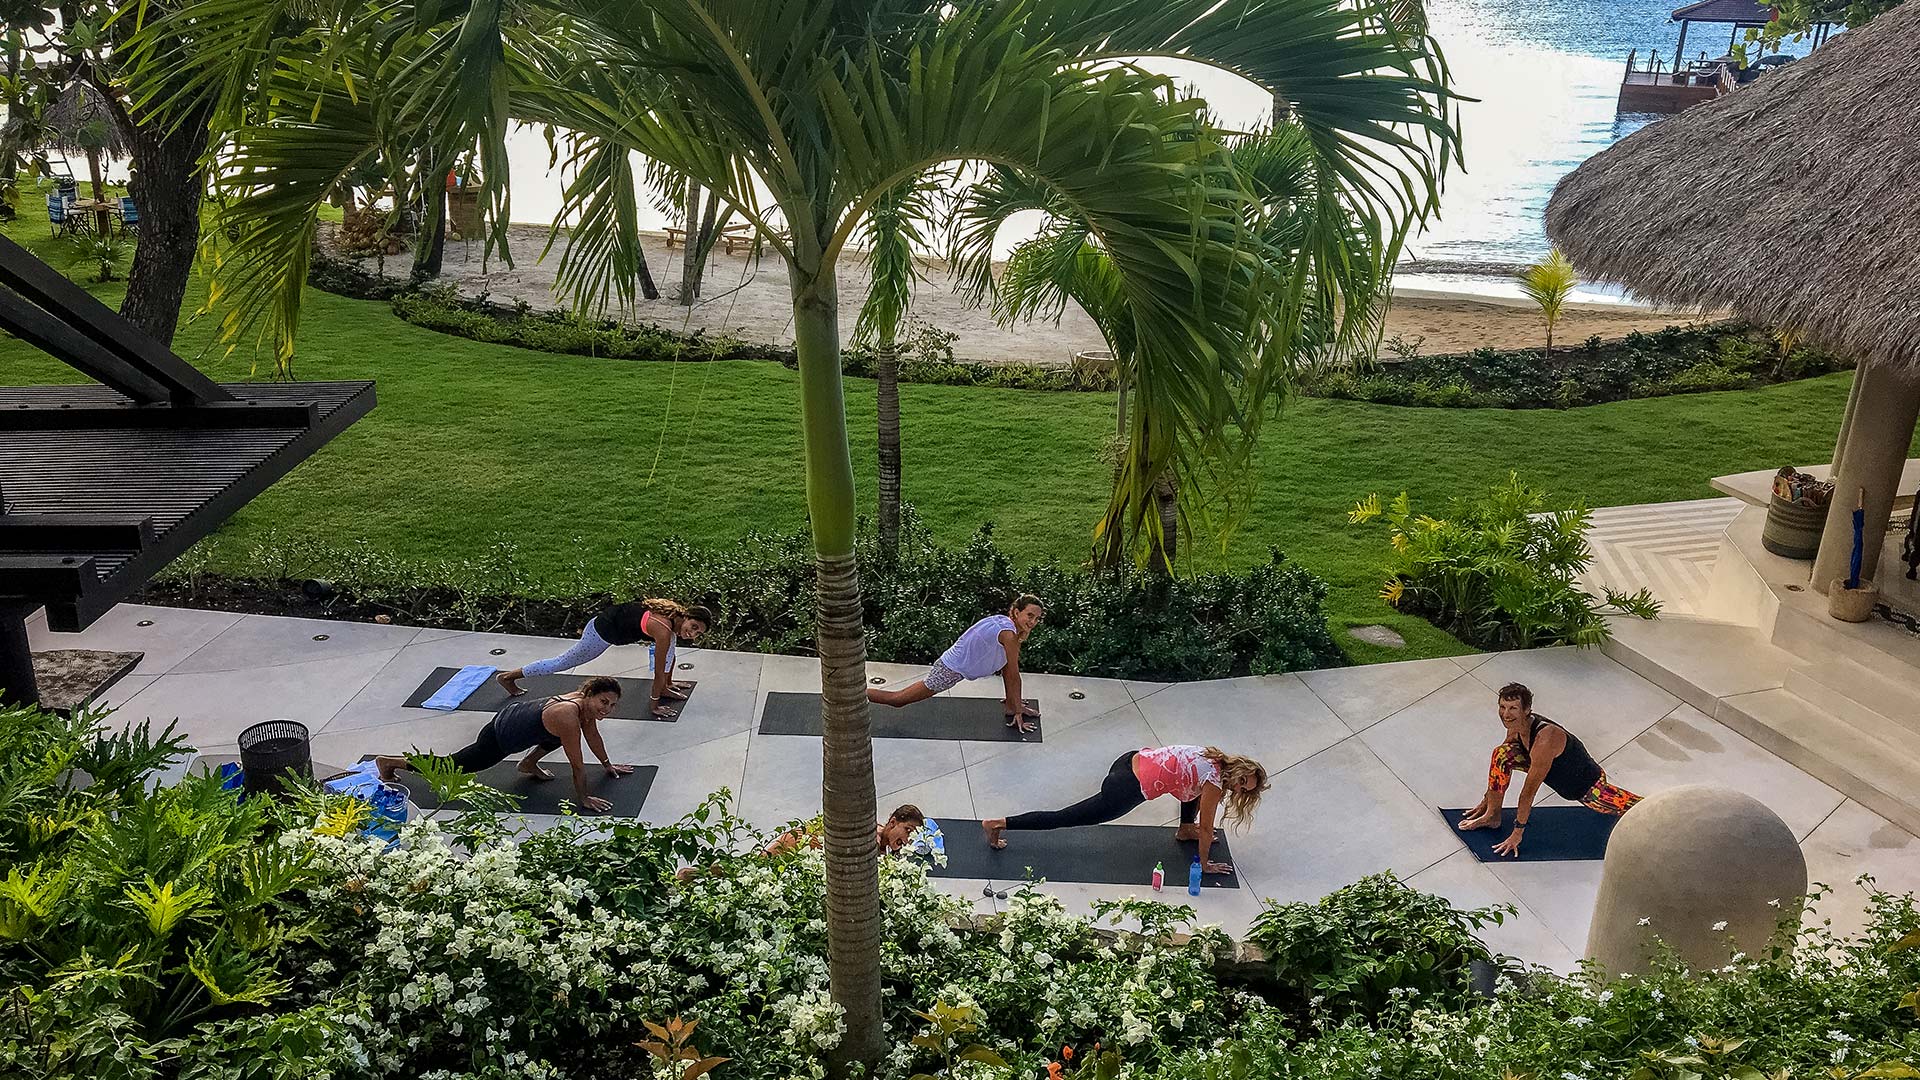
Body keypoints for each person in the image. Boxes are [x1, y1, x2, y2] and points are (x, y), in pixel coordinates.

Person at [981, 745, 1269, 876]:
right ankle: (998, 823)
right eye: (1243, 780)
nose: (1241, 787)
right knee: (1067, 817)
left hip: (1129, 760)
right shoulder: (1215, 782)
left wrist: (1190, 828)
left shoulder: (1214, 758)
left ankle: (1183, 830)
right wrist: (1204, 864)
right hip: (1127, 786)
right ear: (1239, 769)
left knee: (1189, 791)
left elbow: (1185, 785)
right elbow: (1208, 827)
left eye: (1246, 787)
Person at [374, 675, 633, 813]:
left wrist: (608, 765)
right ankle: (389, 763)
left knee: (557, 735)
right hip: (500, 736)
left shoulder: (583, 708)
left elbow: (594, 737)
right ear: (589, 695)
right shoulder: (568, 715)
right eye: (604, 702)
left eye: (612, 704)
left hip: (520, 719)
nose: (608, 709)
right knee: (451, 767)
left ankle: (528, 763)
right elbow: (576, 764)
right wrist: (584, 798)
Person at [1456, 682, 1642, 857]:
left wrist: (1517, 834)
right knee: (1502, 754)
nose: (1506, 714)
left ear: (1527, 710)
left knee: (1638, 809)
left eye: (1513, 708)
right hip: (1552, 771)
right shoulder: (1515, 727)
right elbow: (1499, 768)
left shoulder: (1545, 739)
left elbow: (1528, 793)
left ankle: (1667, 812)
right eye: (1502, 707)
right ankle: (1492, 816)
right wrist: (1487, 800)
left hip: (1585, 785)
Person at [497, 599, 713, 719]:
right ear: (686, 616)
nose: (692, 634)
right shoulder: (664, 630)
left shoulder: (673, 618)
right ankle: (508, 677)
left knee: (668, 654)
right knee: (561, 663)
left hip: (610, 622)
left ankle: (668, 685)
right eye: (693, 627)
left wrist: (666, 684)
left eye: (698, 633)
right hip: (600, 634)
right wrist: (654, 703)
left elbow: (667, 658)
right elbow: (658, 669)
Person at [868, 595, 1045, 732]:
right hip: (949, 670)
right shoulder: (1009, 635)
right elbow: (1013, 675)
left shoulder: (1004, 623)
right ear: (1016, 612)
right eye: (1029, 615)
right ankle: (851, 694)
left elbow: (1007, 670)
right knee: (898, 700)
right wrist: (1019, 713)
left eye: (1037, 618)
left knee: (898, 699)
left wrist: (1013, 705)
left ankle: (1010, 706)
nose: (1033, 622)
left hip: (952, 666)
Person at [676, 805, 927, 881]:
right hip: (797, 845)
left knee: (749, 872)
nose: (907, 839)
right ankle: (693, 874)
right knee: (749, 870)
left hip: (803, 853)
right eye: (907, 830)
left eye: (912, 835)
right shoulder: (870, 838)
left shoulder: (885, 850)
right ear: (893, 822)